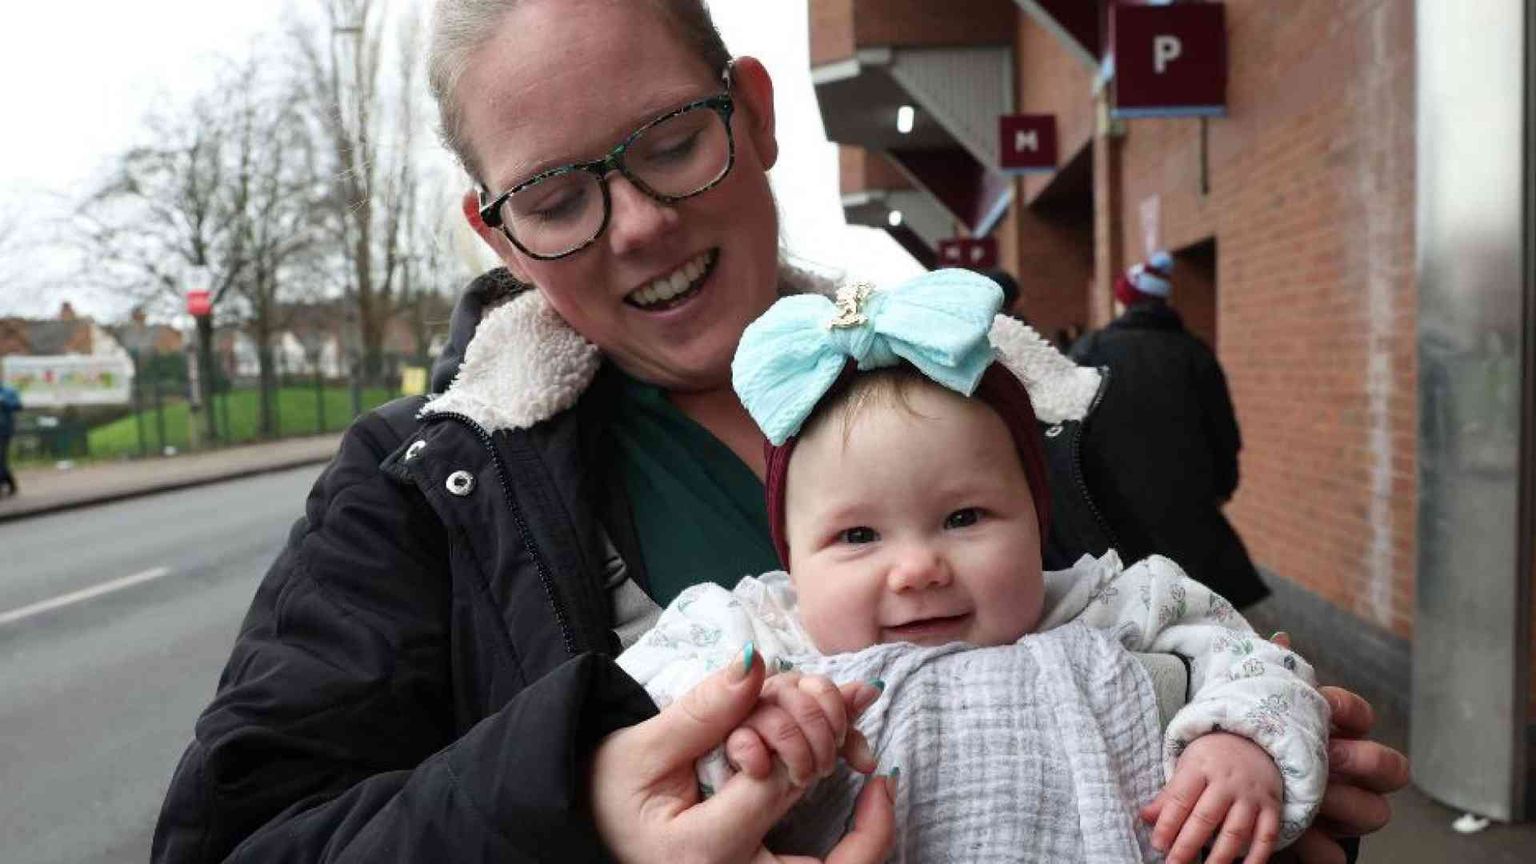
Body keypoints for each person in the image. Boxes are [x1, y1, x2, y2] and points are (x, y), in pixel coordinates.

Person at [153, 2, 1407, 861]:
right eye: (555, 193)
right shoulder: (422, 491)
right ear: (497, 234)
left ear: (752, 115)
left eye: (671, 142)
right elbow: (245, 837)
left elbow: (1233, 692)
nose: (637, 223)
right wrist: (581, 812)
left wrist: (1277, 788)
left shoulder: (1046, 408)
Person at [619, 273, 1329, 864]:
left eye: (964, 518)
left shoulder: (1116, 605)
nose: (918, 569)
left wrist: (1240, 742)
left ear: (1036, 519)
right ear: (792, 560)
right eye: (858, 534)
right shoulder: (759, 637)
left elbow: (1254, 662)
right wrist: (740, 730)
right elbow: (643, 706)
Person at [1070, 251, 1268, 608]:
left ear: (1125, 301)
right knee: (1195, 613)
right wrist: (1223, 487)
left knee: (1128, 613)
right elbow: (1224, 431)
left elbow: (1067, 432)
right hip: (1187, 512)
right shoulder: (1195, 353)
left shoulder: (1091, 350)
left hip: (1110, 513)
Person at [0, 381, 20, 497]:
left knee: (1, 459)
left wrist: (4, 402)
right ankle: (11, 483)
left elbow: (18, 405)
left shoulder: (8, 391)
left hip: (4, 430)